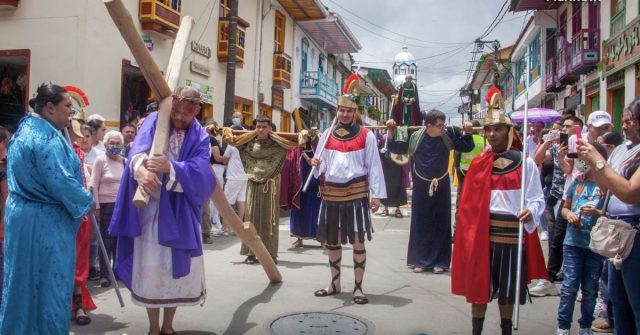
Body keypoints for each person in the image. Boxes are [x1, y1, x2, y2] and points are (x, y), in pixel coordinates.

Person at [109, 87, 215, 335]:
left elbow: (202, 170)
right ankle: (153, 328)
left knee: (175, 274)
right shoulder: (155, 121)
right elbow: (136, 152)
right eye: (176, 112)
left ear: (197, 111)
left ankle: (168, 326)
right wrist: (142, 171)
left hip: (182, 213)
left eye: (186, 114)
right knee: (152, 270)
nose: (179, 118)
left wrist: (171, 167)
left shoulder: (200, 135)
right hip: (152, 212)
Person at [451, 89, 547, 335]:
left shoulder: (525, 163)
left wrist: (530, 211)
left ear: (508, 131)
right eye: (488, 129)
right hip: (483, 234)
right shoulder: (478, 164)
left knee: (508, 291)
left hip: (512, 235)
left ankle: (506, 331)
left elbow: (537, 198)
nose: (492, 134)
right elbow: (468, 206)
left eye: (497, 129)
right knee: (479, 289)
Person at [0, 83, 94, 334]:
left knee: (20, 281)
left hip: (21, 216)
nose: (70, 114)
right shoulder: (45, 138)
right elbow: (60, 181)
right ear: (50, 107)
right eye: (67, 107)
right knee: (49, 284)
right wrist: (86, 200)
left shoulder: (23, 130)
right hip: (44, 223)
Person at [311, 73, 386, 304]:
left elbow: (374, 166)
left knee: (357, 241)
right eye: (341, 110)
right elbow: (320, 170)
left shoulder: (367, 136)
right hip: (331, 194)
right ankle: (334, 284)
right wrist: (316, 164)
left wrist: (377, 196)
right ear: (337, 111)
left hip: (356, 194)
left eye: (349, 111)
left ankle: (358, 288)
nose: (344, 114)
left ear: (355, 112)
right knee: (332, 241)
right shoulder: (326, 135)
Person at [578, 99, 640, 334]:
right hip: (619, 235)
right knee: (619, 305)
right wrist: (591, 162)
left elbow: (630, 193)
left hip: (635, 235)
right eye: (623, 121)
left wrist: (599, 160)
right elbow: (607, 188)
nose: (624, 127)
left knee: (636, 304)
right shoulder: (625, 150)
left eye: (630, 121)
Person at [386, 109, 475, 273]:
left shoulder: (448, 136)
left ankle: (441, 262)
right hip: (421, 186)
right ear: (429, 126)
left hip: (441, 185)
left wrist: (468, 132)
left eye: (444, 124)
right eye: (440, 125)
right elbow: (395, 147)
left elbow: (467, 146)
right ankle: (420, 261)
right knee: (421, 223)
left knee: (441, 223)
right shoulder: (416, 138)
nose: (443, 128)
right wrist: (391, 130)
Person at [556, 141, 609, 335]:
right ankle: (563, 326)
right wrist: (568, 214)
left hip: (595, 246)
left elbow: (611, 214)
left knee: (589, 290)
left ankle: (585, 325)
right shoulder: (576, 183)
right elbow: (564, 208)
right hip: (572, 243)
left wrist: (598, 212)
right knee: (569, 288)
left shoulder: (605, 186)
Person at [233, 115, 292, 264]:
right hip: (253, 183)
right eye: (258, 126)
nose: (260, 129)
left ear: (270, 128)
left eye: (264, 127)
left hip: (271, 185)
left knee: (269, 218)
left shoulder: (278, 144)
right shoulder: (248, 143)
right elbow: (234, 141)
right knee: (251, 217)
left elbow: (294, 143)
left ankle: (271, 253)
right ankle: (251, 252)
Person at [90, 130, 125, 288]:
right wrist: (96, 206)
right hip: (106, 206)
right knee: (106, 240)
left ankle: (117, 271)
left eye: (118, 143)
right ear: (105, 144)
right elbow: (93, 185)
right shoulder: (100, 160)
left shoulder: (124, 161)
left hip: (122, 206)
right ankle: (105, 274)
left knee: (119, 241)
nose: (115, 146)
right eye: (112, 143)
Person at [281, 128, 322, 248]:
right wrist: (307, 159)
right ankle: (299, 239)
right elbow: (296, 151)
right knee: (299, 209)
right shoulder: (298, 146)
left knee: (317, 211)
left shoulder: (321, 141)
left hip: (315, 183)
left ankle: (321, 239)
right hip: (300, 181)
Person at [222, 125, 248, 231]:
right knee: (241, 202)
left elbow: (225, 159)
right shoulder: (247, 143)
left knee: (227, 203)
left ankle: (225, 227)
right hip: (244, 177)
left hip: (234, 177)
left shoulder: (232, 143)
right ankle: (238, 227)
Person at [378, 131, 408, 218]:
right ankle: (385, 208)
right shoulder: (383, 137)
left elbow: (404, 150)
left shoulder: (400, 137)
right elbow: (378, 150)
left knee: (398, 186)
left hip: (397, 165)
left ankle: (398, 209)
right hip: (386, 166)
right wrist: (381, 151)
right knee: (386, 187)